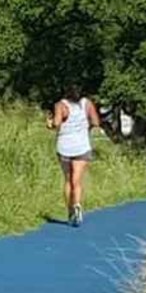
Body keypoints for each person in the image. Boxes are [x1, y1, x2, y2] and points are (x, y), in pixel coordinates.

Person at [47, 85, 101, 226]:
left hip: (65, 146)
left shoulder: (61, 105)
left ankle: (70, 211)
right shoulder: (86, 104)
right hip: (82, 146)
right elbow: (96, 122)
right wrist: (85, 127)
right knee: (77, 180)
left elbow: (57, 123)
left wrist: (50, 124)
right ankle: (77, 204)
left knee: (67, 179)